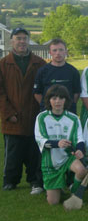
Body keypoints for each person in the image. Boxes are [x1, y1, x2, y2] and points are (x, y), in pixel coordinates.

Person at [0, 27, 46, 193]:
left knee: (34, 151)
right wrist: (8, 113)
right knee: (13, 152)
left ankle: (35, 180)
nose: (21, 42)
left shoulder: (39, 63)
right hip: (13, 117)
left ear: (28, 41)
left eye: (24, 38)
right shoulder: (3, 64)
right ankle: (10, 180)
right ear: (12, 41)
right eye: (18, 38)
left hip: (34, 115)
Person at [34, 85, 87, 204]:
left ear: (66, 100)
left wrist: (79, 150)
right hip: (51, 161)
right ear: (48, 100)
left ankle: (74, 190)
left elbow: (80, 138)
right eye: (54, 98)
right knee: (53, 202)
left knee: (82, 169)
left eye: (61, 98)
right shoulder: (42, 117)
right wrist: (57, 143)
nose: (58, 101)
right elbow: (40, 139)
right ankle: (58, 186)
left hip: (69, 157)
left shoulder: (73, 118)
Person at [34, 38, 81, 114]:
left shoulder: (73, 71)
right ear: (50, 52)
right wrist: (46, 105)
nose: (58, 53)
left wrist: (68, 105)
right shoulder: (42, 71)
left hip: (68, 112)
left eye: (61, 50)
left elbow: (76, 93)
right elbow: (37, 93)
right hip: (48, 112)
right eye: (54, 50)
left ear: (66, 51)